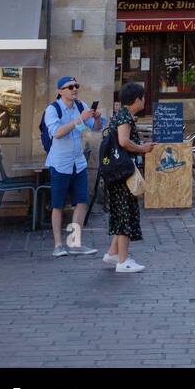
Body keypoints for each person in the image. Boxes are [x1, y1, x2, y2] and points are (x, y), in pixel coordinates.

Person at [42, 76, 107, 258]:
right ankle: (58, 245)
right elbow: (57, 133)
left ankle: (75, 243)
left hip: (78, 163)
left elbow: (95, 128)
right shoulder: (52, 109)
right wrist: (79, 120)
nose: (74, 89)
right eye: (69, 87)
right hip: (60, 163)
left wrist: (97, 119)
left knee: (82, 202)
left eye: (76, 86)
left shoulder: (81, 105)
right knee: (58, 204)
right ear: (61, 91)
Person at [104, 82, 158, 274]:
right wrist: (142, 148)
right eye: (143, 97)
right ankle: (123, 260)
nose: (145, 100)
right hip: (122, 174)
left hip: (117, 173)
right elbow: (123, 141)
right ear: (137, 99)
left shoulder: (122, 115)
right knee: (125, 213)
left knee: (120, 213)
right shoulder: (125, 117)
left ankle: (113, 253)